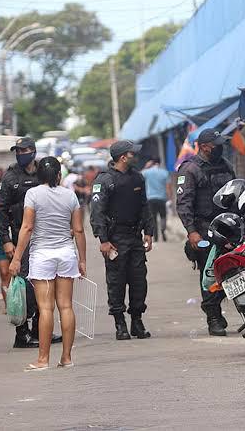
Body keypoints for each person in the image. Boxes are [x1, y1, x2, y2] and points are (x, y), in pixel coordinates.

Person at [177, 128, 245, 336]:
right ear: (205, 147)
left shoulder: (225, 165)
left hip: (231, 227)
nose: (221, 147)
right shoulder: (190, 169)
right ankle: (213, 316)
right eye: (217, 144)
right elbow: (184, 204)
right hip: (206, 230)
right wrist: (192, 232)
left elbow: (237, 195)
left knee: (241, 270)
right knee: (211, 275)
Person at [9, 156, 86, 371]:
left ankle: (43, 359)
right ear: (59, 175)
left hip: (42, 256)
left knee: (45, 309)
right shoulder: (70, 196)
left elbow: (27, 228)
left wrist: (16, 258)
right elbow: (78, 230)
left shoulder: (32, 194)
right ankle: (67, 358)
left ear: (39, 176)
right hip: (66, 254)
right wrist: (82, 260)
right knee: (66, 306)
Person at [0, 137, 61, 349]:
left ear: (33, 151)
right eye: (18, 150)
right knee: (25, 287)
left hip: (44, 238)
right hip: (21, 240)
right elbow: (1, 212)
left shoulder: (44, 172)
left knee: (45, 284)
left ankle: (40, 330)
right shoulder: (10, 177)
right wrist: (6, 241)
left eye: (24, 150)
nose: (20, 153)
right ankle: (21, 334)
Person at [90, 140, 153, 340]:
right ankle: (119, 323)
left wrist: (149, 232)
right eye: (132, 153)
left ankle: (137, 320)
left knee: (138, 281)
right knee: (116, 282)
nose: (136, 156)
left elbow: (144, 206)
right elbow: (97, 211)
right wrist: (103, 239)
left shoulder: (137, 178)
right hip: (115, 238)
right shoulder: (104, 180)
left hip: (135, 237)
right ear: (123, 157)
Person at [142, 157, 172, 242]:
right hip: (162, 198)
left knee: (153, 218)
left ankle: (155, 236)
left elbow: (139, 176)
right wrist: (169, 199)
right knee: (163, 216)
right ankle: (163, 230)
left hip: (150, 199)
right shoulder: (165, 173)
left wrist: (146, 166)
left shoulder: (147, 172)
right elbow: (168, 187)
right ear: (160, 162)